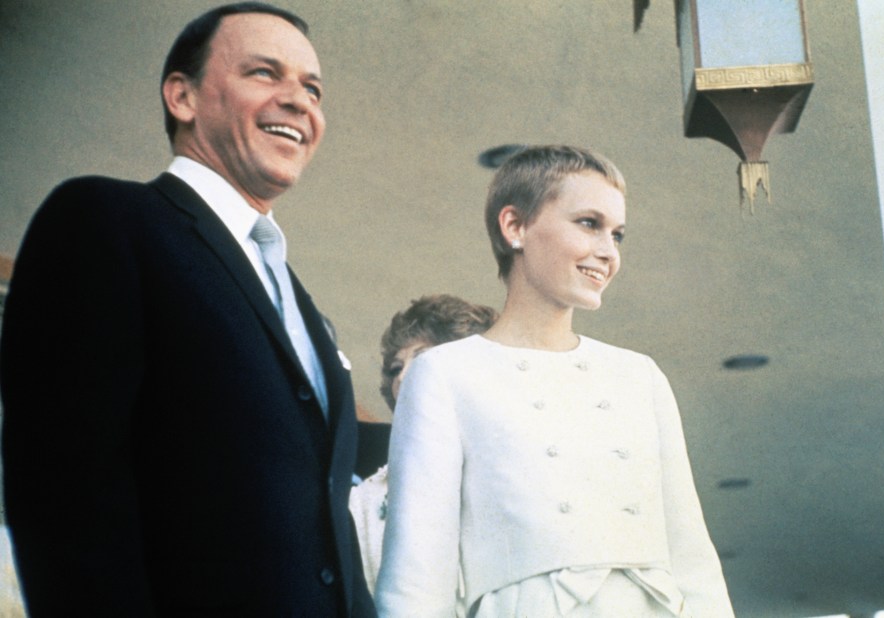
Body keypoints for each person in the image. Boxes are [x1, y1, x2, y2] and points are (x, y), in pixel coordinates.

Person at [0, 3, 375, 615]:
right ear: (183, 96)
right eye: (264, 73)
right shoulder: (107, 222)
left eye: (312, 88)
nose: (300, 101)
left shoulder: (295, 297)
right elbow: (65, 496)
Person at [376, 145, 734, 617]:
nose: (608, 252)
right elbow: (416, 580)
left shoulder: (639, 376)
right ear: (515, 227)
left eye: (618, 234)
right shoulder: (444, 374)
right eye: (589, 224)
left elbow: (693, 560)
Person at [350, 294, 498, 595]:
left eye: (422, 359)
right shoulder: (363, 500)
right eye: (394, 368)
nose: (401, 377)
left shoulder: (515, 471)